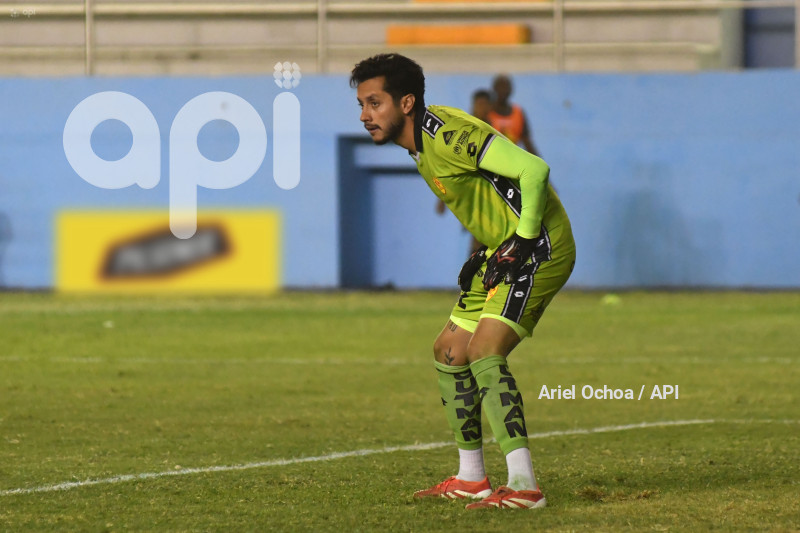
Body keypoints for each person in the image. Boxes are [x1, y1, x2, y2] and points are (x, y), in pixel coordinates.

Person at [350, 53, 575, 510]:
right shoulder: (418, 147)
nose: (365, 115)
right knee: (449, 351)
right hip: (502, 249)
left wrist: (522, 240)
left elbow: (534, 170)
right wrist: (487, 249)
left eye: (374, 103)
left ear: (406, 102)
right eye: (361, 104)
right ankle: (473, 477)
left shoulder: (448, 136)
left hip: (540, 244)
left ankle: (525, 486)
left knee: (483, 350)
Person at [436, 89, 493, 255]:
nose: (481, 108)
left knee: (490, 237)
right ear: (473, 106)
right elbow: (452, 164)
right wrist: (442, 197)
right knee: (478, 237)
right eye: (478, 104)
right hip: (472, 192)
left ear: (490, 107)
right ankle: (475, 275)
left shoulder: (495, 133)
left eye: (484, 105)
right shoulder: (464, 131)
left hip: (491, 190)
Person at [488, 74, 539, 156]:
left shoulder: (518, 113)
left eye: (506, 87)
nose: (503, 90)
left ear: (511, 90)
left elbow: (527, 141)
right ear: (494, 89)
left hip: (511, 160)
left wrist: (538, 161)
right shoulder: (486, 112)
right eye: (500, 87)